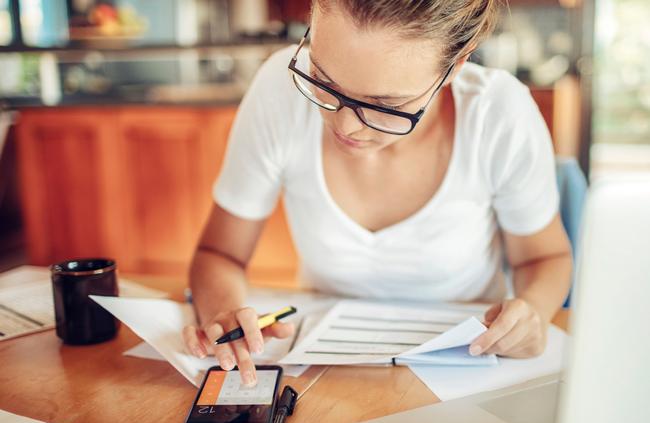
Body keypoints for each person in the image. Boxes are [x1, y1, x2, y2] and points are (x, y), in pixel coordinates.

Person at [183, 0, 573, 386]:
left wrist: (534, 313)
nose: (346, 125)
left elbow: (545, 257)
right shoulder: (280, 89)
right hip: (327, 373)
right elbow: (220, 254)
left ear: (456, 65)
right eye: (323, 80)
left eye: (387, 104)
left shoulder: (499, 114)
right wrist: (225, 312)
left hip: (466, 368)